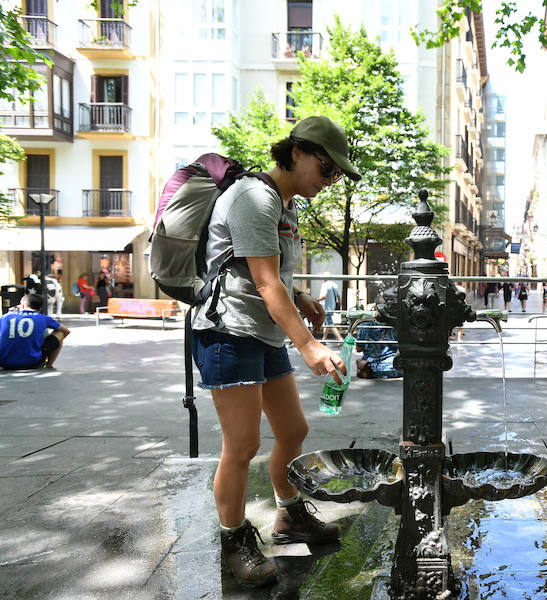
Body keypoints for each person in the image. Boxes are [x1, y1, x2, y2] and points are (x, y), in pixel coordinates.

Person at [190, 115, 360, 587]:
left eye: (337, 174)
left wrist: (300, 296)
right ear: (297, 152)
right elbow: (264, 283)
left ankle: (289, 514)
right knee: (242, 445)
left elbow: (267, 272)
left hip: (261, 333)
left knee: (293, 429)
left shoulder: (285, 205)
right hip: (228, 332)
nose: (331, 180)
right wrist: (308, 345)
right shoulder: (254, 197)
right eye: (327, 169)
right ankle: (234, 540)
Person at [0, 294, 69, 370]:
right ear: (40, 309)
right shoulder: (44, 318)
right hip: (32, 362)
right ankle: (49, 365)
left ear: (22, 306)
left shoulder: (5, 316)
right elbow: (66, 331)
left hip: (4, 362)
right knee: (60, 333)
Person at [317, 274, 342, 342]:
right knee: (326, 323)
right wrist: (340, 306)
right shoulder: (334, 284)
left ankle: (340, 339)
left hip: (326, 307)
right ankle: (324, 339)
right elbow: (339, 296)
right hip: (332, 307)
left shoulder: (325, 285)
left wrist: (317, 300)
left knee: (329, 323)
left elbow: (324, 296)